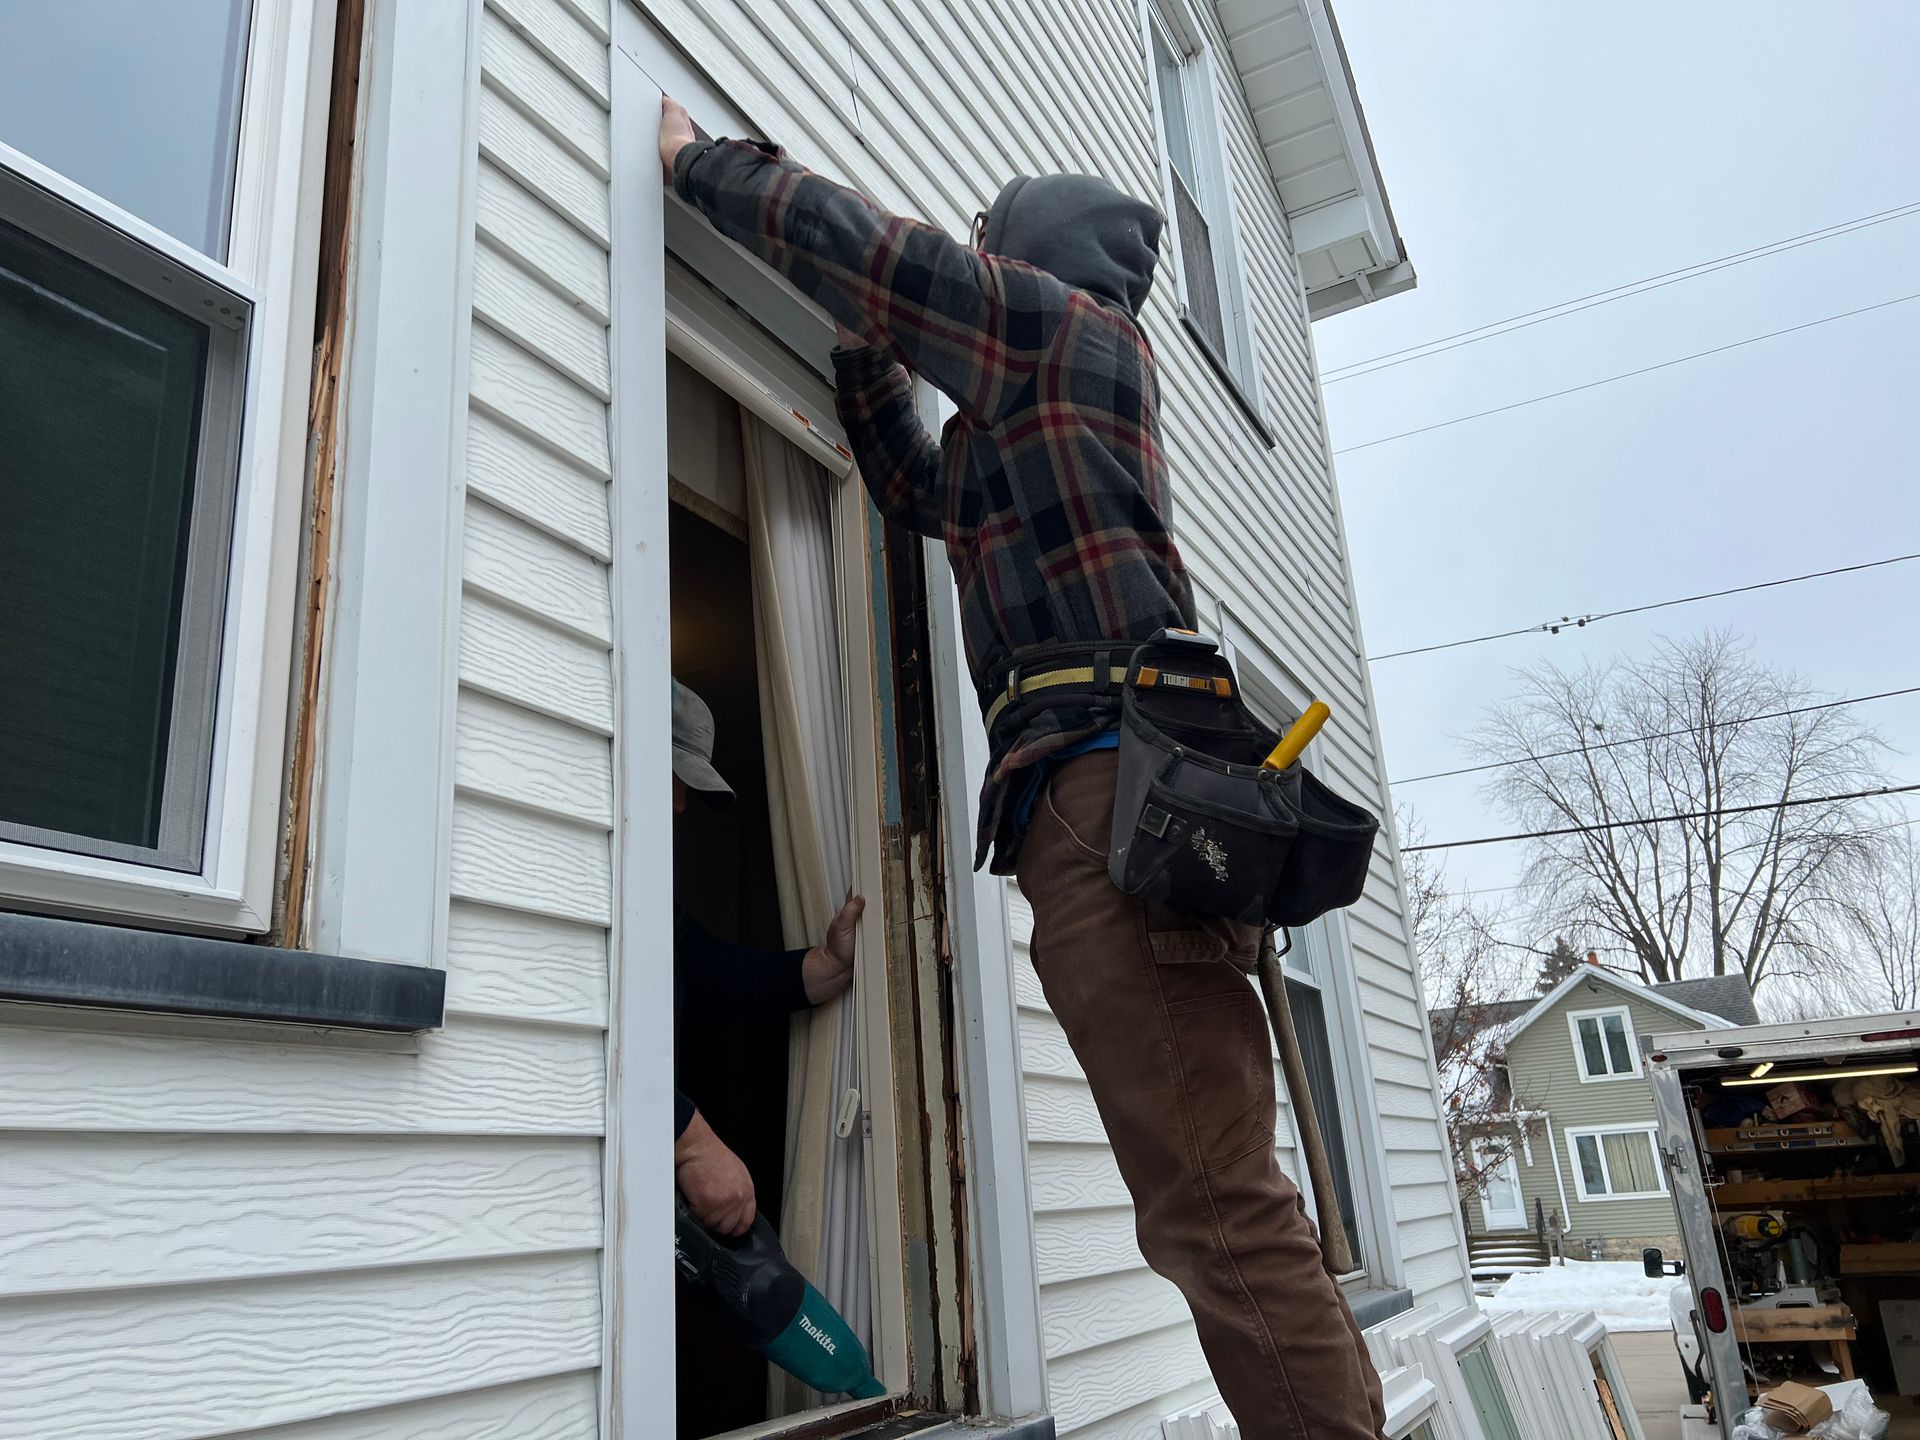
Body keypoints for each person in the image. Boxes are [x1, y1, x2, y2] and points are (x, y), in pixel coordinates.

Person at [656, 101, 1388, 1440]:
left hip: (1116, 807)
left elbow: (874, 254)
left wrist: (697, 161)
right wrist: (862, 347)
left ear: (1033, 263)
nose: (975, 263)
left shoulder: (1064, 333)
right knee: (1220, 1210)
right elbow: (901, 484)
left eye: (989, 247)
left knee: (1216, 1217)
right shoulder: (1021, 436)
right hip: (1108, 812)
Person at [670, 679, 864, 1237]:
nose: (683, 804)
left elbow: (716, 973)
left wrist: (830, 962)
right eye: (675, 778)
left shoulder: (651, 908)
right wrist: (690, 1142)